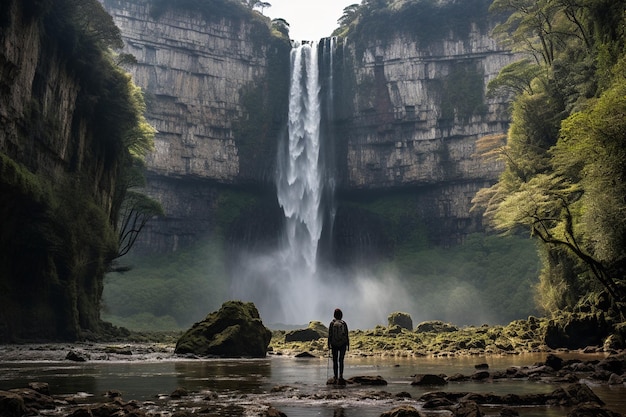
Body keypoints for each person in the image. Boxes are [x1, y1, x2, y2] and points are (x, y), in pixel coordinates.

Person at [328, 308, 349, 383]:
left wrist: (329, 344)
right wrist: (348, 345)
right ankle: (341, 376)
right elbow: (346, 334)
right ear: (341, 315)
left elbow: (330, 335)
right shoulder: (343, 323)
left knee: (335, 360)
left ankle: (335, 376)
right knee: (341, 360)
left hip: (334, 344)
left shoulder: (332, 323)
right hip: (343, 343)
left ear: (334, 315)